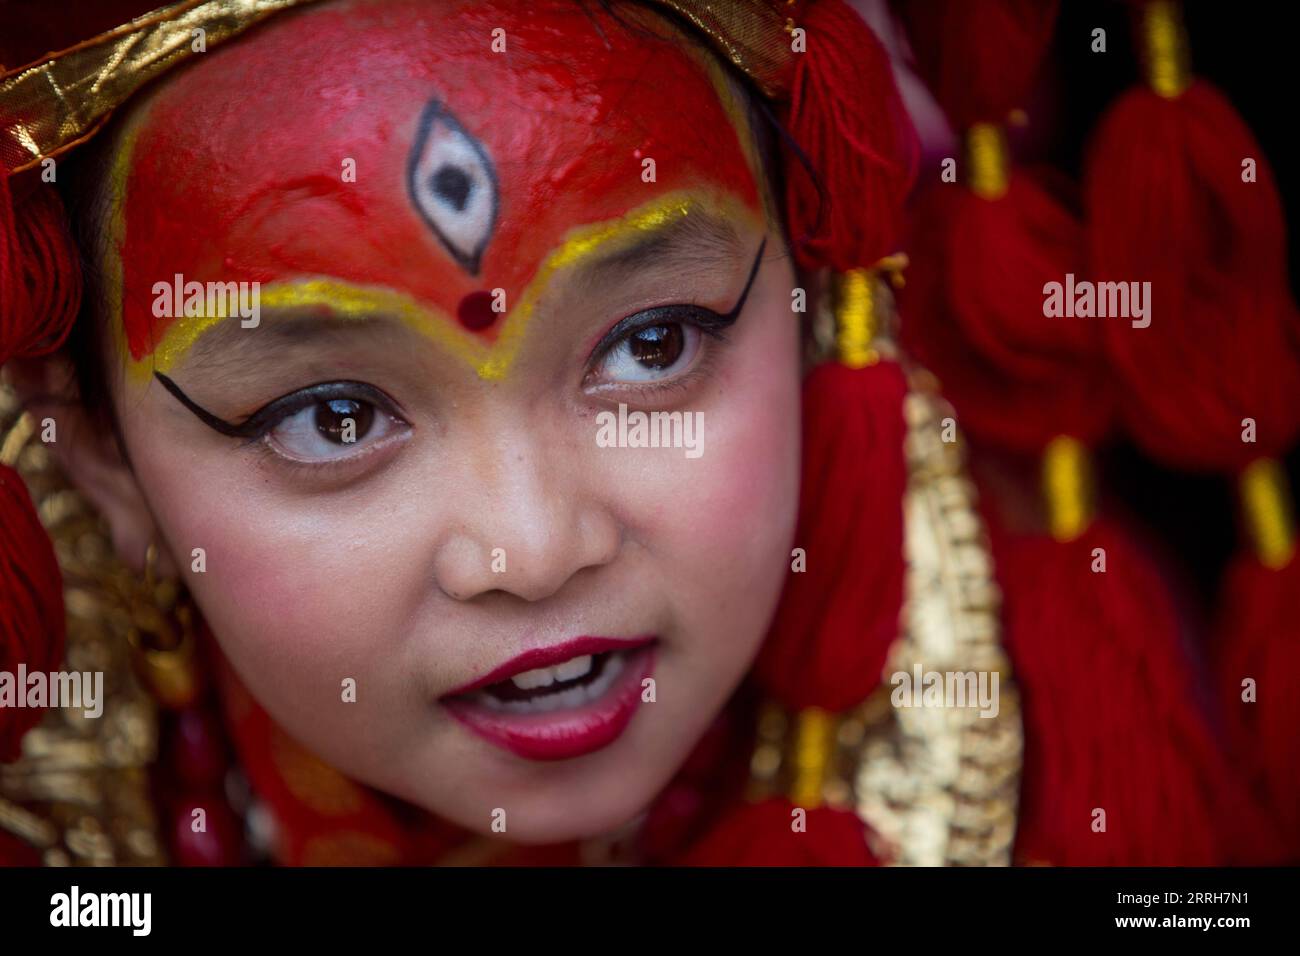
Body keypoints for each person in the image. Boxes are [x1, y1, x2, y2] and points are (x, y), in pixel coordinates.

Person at [0, 0, 1279, 866]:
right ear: (96, 453)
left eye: (650, 344)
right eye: (333, 416)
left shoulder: (1101, 772)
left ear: (820, 297)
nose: (536, 546)